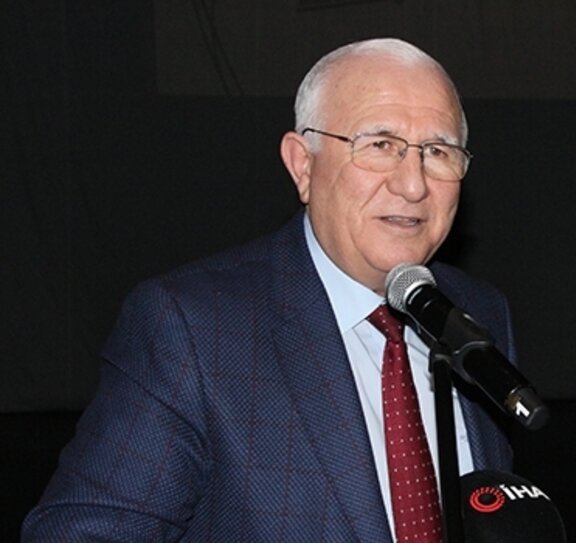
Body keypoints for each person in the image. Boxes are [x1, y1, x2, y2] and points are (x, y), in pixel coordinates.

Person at [23, 38, 517, 542]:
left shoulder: (479, 313)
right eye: (379, 145)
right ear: (303, 165)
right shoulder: (193, 329)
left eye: (437, 152)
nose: (413, 184)